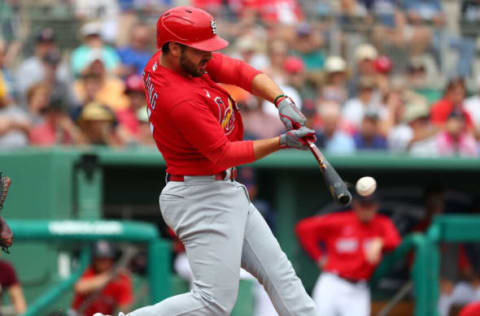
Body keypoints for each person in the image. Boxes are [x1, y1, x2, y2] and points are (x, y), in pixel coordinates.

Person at [93, 6, 318, 316]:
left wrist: (281, 100)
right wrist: (282, 142)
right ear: (173, 47)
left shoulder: (173, 61)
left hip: (218, 189)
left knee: (283, 279)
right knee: (212, 303)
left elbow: (239, 71)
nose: (208, 56)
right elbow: (221, 154)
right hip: (201, 195)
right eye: (201, 50)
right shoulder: (179, 97)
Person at [296, 192, 401, 316]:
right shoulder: (341, 221)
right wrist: (319, 257)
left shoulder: (381, 224)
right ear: (355, 204)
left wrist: (381, 242)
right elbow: (303, 228)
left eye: (370, 205)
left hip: (359, 288)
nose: (367, 209)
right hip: (333, 283)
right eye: (363, 204)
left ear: (376, 206)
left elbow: (396, 242)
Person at [72, 241, 133, 316]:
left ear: (112, 259)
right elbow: (80, 287)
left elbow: (124, 307)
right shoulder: (90, 272)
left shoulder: (121, 278)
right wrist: (110, 275)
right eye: (99, 258)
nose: (102, 262)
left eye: (106, 258)